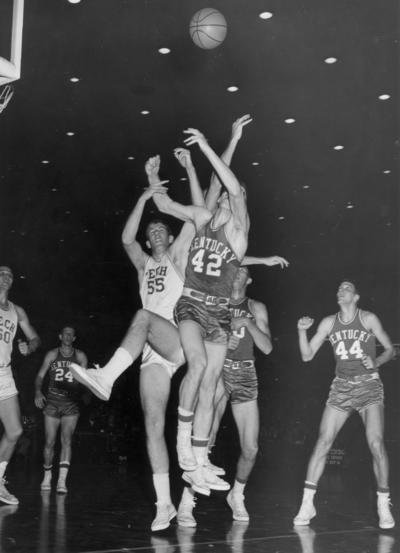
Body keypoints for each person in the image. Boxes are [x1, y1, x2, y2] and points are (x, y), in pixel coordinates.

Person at [70, 148, 205, 531]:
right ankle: (166, 505)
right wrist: (144, 196)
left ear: (171, 235)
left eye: (161, 228)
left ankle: (106, 377)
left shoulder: (178, 255)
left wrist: (159, 180)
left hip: (178, 339)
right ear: (149, 243)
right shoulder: (144, 264)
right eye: (152, 231)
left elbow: (195, 215)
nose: (156, 231)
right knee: (152, 423)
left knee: (144, 316)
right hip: (150, 351)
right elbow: (126, 237)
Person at [152, 126, 250, 496]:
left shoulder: (239, 232)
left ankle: (199, 459)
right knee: (197, 366)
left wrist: (215, 145)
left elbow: (233, 186)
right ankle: (182, 445)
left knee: (210, 384)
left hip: (220, 314)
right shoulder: (202, 218)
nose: (223, 198)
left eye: (228, 197)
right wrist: (151, 179)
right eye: (221, 196)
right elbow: (164, 205)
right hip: (191, 304)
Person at [293, 281, 395, 529]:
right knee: (323, 441)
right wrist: (301, 331)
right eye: (338, 288)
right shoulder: (329, 322)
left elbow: (391, 349)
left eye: (346, 288)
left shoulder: (368, 318)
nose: (340, 290)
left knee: (376, 442)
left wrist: (376, 361)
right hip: (341, 385)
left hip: (368, 385)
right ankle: (308, 503)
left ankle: (383, 502)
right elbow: (307, 355)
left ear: (356, 296)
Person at [177, 266, 273, 527]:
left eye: (242, 271)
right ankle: (187, 502)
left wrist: (248, 324)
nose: (236, 273)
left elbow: (266, 347)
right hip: (217, 371)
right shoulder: (214, 302)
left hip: (245, 374)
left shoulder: (256, 307)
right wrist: (223, 337)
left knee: (251, 448)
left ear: (249, 279)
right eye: (234, 269)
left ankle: (237, 495)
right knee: (205, 439)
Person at [0, 265, 40, 504]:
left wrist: (29, 347)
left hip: (3, 374)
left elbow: (35, 338)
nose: (5, 277)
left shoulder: (17, 311)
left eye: (9, 275)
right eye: (1, 274)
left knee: (15, 430)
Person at [34, 326, 87, 494]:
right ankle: (47, 475)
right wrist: (37, 391)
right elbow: (40, 376)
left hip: (70, 404)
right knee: (49, 442)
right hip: (52, 403)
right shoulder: (51, 354)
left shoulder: (80, 356)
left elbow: (86, 380)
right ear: (60, 336)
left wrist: (89, 387)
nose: (68, 335)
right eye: (65, 333)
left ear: (74, 338)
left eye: (71, 333)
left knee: (67, 441)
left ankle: (62, 481)